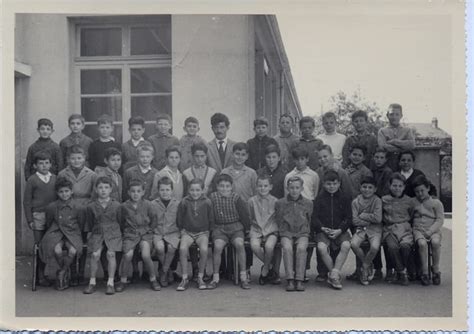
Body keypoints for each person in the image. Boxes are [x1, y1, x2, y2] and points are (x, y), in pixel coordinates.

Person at [57, 145, 97, 284]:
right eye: (73, 158)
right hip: (70, 209)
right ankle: (72, 271)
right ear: (68, 159)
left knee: (83, 241)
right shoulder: (62, 173)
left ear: (84, 158)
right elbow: (60, 192)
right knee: (72, 240)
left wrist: (89, 208)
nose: (76, 161)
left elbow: (94, 195)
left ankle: (81, 273)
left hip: (85, 210)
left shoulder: (91, 174)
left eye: (79, 158)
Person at [39, 178, 84, 290]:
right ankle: (65, 272)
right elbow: (49, 222)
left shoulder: (78, 207)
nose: (64, 194)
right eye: (61, 192)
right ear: (57, 193)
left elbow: (81, 223)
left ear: (71, 191)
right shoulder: (52, 207)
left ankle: (62, 272)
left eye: (67, 191)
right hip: (56, 232)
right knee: (57, 250)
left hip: (72, 232)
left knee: (73, 250)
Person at [115, 180, 160, 292]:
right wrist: (126, 232)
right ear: (128, 192)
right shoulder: (124, 206)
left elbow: (154, 219)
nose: (135, 194)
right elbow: (120, 221)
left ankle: (153, 279)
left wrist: (149, 229)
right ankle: (123, 280)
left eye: (138, 191)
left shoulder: (148, 205)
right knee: (128, 255)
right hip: (130, 234)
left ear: (143, 192)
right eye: (133, 191)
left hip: (145, 234)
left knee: (145, 255)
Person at [208, 174, 251, 290]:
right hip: (220, 228)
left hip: (236, 227)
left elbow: (244, 216)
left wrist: (247, 230)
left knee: (239, 244)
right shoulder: (212, 198)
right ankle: (215, 277)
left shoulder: (236, 198)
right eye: (222, 186)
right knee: (217, 247)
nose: (224, 189)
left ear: (231, 187)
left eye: (227, 186)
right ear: (217, 186)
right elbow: (210, 216)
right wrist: (211, 230)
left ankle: (243, 276)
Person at [313, 170, 352, 290]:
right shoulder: (319, 199)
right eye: (329, 184)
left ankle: (334, 274)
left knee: (346, 245)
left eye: (335, 184)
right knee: (321, 247)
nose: (332, 187)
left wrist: (340, 230)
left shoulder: (345, 198)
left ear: (339, 183)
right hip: (324, 231)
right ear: (324, 184)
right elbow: (314, 218)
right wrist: (322, 228)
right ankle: (334, 274)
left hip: (340, 230)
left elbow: (349, 218)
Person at [23, 151, 58, 287]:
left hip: (52, 216)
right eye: (41, 163)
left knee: (51, 244)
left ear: (51, 164)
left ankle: (53, 273)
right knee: (40, 246)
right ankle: (40, 275)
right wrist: (29, 219)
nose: (44, 166)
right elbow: (27, 201)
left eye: (46, 163)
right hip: (38, 216)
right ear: (35, 165)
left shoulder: (55, 178)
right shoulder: (32, 180)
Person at [83, 177, 122, 295]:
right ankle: (92, 282)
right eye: (100, 187)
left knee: (111, 254)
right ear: (95, 190)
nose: (103, 190)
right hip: (97, 233)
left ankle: (110, 283)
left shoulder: (117, 205)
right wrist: (90, 235)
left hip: (113, 233)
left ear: (111, 189)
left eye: (106, 187)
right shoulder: (91, 206)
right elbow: (90, 223)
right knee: (95, 255)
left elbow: (120, 221)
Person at [276, 176, 313, 292]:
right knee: (287, 248)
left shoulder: (308, 203)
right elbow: (278, 219)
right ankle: (290, 279)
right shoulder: (280, 203)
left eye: (297, 187)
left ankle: (299, 279)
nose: (294, 190)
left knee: (301, 248)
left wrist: (305, 230)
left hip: (302, 232)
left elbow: (309, 219)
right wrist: (283, 231)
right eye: (291, 187)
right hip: (286, 232)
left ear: (302, 188)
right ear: (287, 188)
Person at [176, 178, 214, 291]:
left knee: (204, 250)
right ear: (188, 190)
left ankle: (200, 277)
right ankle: (184, 278)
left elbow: (211, 218)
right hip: (188, 232)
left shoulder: (207, 202)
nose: (195, 193)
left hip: (202, 232)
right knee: (182, 249)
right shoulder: (184, 202)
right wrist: (182, 229)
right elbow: (179, 218)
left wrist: (209, 231)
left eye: (198, 190)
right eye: (192, 190)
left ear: (203, 190)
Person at [382, 173, 416, 286]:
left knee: (405, 246)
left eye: (400, 186)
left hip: (405, 229)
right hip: (390, 229)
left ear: (404, 187)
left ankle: (400, 270)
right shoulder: (384, 200)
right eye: (394, 185)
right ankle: (402, 272)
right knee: (392, 247)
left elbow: (411, 215)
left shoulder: (409, 201)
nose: (397, 188)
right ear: (390, 186)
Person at [350, 176, 383, 285]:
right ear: (360, 188)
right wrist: (369, 220)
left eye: (370, 187)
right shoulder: (355, 202)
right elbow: (355, 221)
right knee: (354, 244)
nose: (367, 190)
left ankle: (364, 266)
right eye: (364, 187)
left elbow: (378, 218)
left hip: (375, 229)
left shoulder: (377, 200)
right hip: (360, 229)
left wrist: (363, 215)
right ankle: (367, 263)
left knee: (374, 247)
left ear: (375, 189)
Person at [412, 175, 444, 286]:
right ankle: (424, 272)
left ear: (428, 189)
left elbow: (440, 220)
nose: (420, 194)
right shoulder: (413, 202)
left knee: (435, 242)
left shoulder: (436, 203)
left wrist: (430, 231)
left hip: (433, 230)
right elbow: (410, 217)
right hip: (418, 230)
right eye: (417, 192)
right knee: (422, 244)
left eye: (422, 190)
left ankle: (435, 270)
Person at [249, 174, 279, 285]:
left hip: (271, 229)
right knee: (255, 246)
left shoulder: (275, 201)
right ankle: (270, 266)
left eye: (265, 186)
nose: (262, 188)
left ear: (270, 187)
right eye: (260, 186)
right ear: (256, 187)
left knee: (269, 246)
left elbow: (277, 217)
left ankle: (265, 270)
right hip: (256, 229)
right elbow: (250, 216)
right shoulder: (251, 201)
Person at [151, 177, 180, 287]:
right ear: (158, 190)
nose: (165, 192)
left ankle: (163, 272)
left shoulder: (177, 203)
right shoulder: (153, 204)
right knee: (160, 248)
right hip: (158, 232)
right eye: (162, 190)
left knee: (172, 248)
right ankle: (167, 271)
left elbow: (179, 221)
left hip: (173, 232)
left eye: (167, 190)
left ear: (172, 190)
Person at [377, 104, 415, 171]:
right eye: (391, 114)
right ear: (387, 115)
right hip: (387, 165)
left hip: (404, 165)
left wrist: (394, 141)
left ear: (401, 116)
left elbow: (412, 145)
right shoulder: (382, 131)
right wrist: (402, 147)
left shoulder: (407, 130)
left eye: (397, 114)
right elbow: (382, 147)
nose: (394, 117)